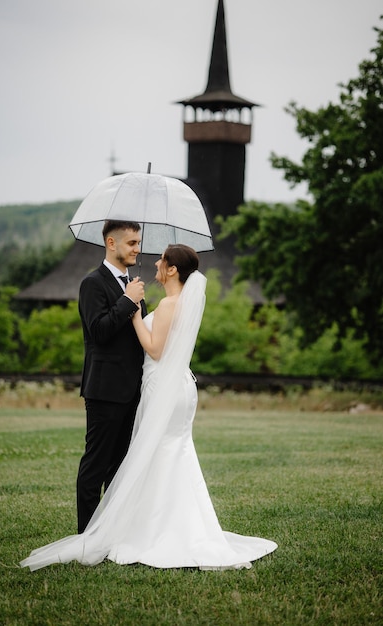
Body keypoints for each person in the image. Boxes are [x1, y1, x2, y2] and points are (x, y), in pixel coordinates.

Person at [21, 244, 277, 571]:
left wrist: (135, 313)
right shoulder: (178, 303)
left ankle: (162, 531)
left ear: (171, 270)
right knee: (172, 452)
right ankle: (174, 524)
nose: (156, 262)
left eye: (162, 261)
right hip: (176, 387)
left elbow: (155, 350)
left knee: (163, 452)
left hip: (164, 388)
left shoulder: (171, 304)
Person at [76, 219, 146, 533]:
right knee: (96, 466)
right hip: (104, 391)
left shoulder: (132, 285)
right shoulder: (93, 283)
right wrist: (128, 300)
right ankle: (86, 536)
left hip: (132, 390)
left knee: (119, 469)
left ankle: (112, 533)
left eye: (138, 242)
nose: (137, 248)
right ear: (111, 243)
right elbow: (100, 331)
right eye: (132, 242)